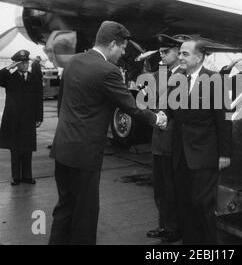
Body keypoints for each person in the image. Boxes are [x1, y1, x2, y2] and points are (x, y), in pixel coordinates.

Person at [48, 21, 167, 245]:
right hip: (85, 154)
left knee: (65, 207)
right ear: (112, 44)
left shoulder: (73, 62)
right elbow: (130, 106)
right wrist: (156, 118)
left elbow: (62, 103)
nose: (123, 53)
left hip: (63, 148)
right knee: (85, 212)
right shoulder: (108, 71)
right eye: (122, 48)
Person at [169, 39, 232, 244]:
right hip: (181, 153)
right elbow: (171, 111)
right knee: (184, 204)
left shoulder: (214, 79)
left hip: (205, 153)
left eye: (185, 54)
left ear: (199, 57)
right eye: (180, 53)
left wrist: (225, 153)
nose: (180, 57)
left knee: (203, 205)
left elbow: (224, 119)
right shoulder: (176, 78)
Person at [146, 34, 183, 243]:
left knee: (171, 187)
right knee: (160, 187)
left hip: (173, 140)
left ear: (177, 51)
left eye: (166, 51)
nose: (162, 55)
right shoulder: (161, 74)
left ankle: (173, 228)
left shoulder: (185, 76)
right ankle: (165, 225)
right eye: (160, 52)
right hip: (159, 140)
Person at [0, 50, 43, 185]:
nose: (25, 65)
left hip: (28, 119)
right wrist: (10, 67)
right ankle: (16, 177)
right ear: (17, 64)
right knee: (15, 149)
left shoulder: (34, 78)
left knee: (27, 148)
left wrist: (39, 117)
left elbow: (38, 99)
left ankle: (27, 176)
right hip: (13, 119)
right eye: (22, 63)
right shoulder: (9, 78)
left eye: (26, 62)